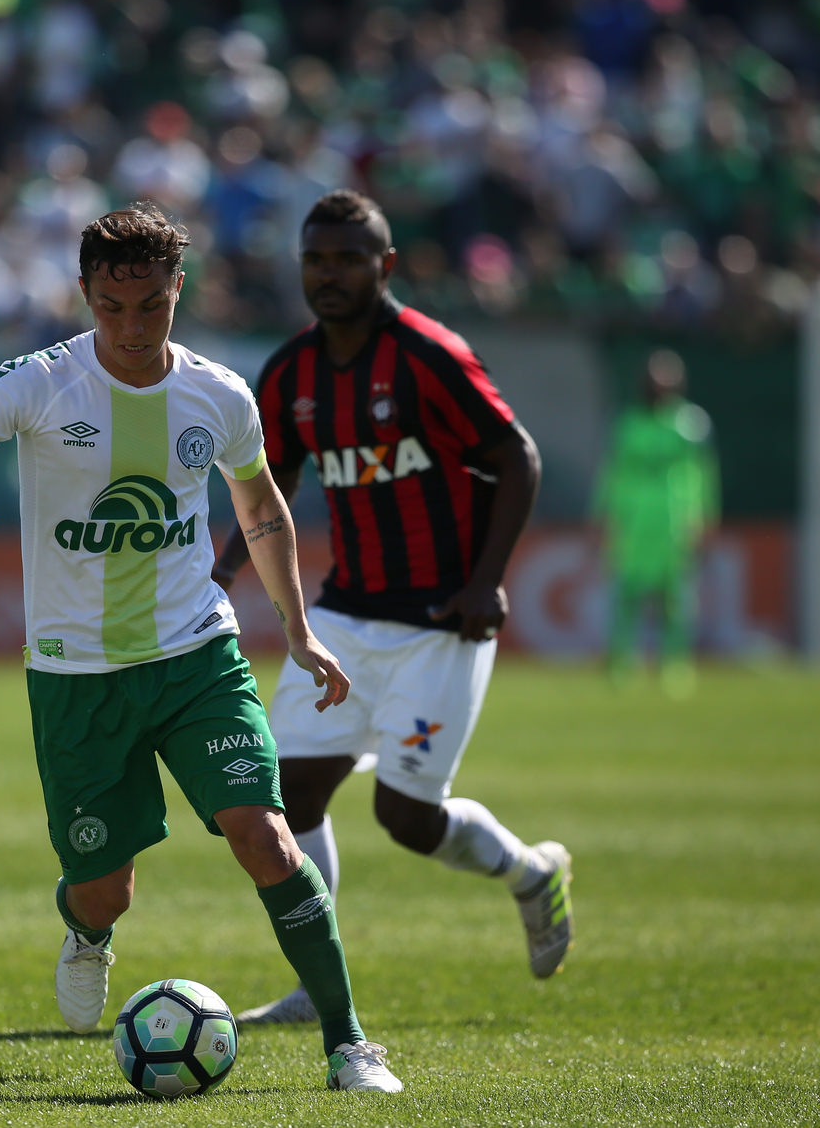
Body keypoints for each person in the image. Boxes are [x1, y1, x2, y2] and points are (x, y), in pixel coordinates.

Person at [0, 205, 404, 1093]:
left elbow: (264, 509)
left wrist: (301, 632)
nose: (129, 329)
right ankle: (87, 933)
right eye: (110, 308)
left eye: (150, 307)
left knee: (266, 836)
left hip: (196, 654)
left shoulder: (219, 394)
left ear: (177, 292)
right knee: (105, 888)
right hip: (76, 675)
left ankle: (349, 1044)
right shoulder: (42, 381)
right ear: (86, 295)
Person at [211, 190, 574, 1029]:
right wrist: (227, 565)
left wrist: (487, 579)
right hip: (344, 615)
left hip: (442, 618)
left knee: (406, 818)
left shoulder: (427, 356)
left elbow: (515, 456)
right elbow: (276, 480)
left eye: (347, 259)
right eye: (316, 259)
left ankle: (530, 872)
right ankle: (316, 983)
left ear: (386, 266)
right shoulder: (293, 372)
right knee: (285, 797)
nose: (329, 274)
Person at [593, 349, 718, 696]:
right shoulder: (628, 424)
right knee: (627, 597)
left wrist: (705, 516)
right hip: (634, 522)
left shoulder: (691, 425)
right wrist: (605, 517)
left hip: (674, 521)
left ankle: (674, 666)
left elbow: (704, 475)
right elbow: (613, 475)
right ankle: (620, 664)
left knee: (675, 600)